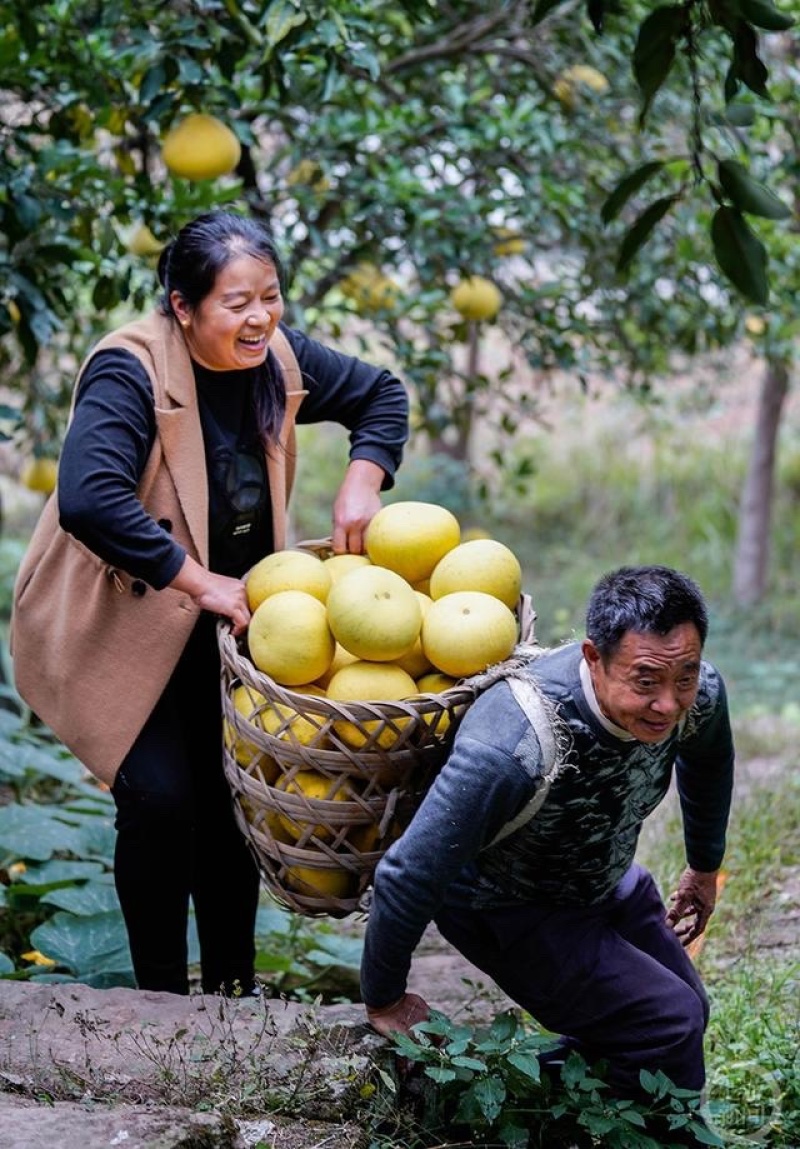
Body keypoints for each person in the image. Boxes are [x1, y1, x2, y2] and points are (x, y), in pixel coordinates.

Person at [12, 209, 409, 997]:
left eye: (271, 295)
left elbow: (381, 395)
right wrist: (200, 580)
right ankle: (160, 999)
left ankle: (230, 993)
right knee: (160, 800)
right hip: (123, 619)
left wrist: (363, 480)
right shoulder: (131, 369)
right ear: (182, 306)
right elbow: (90, 498)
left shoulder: (279, 358)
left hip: (233, 626)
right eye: (237, 301)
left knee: (232, 802)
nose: (260, 316)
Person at [361, 566, 734, 1138]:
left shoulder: (695, 691)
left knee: (687, 1009)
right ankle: (536, 1115)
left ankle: (541, 1103)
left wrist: (704, 868)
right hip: (506, 904)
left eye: (682, 676)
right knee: (667, 1022)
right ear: (592, 657)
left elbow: (708, 762)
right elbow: (409, 873)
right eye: (645, 682)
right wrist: (383, 996)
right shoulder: (515, 740)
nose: (668, 703)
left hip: (601, 874)